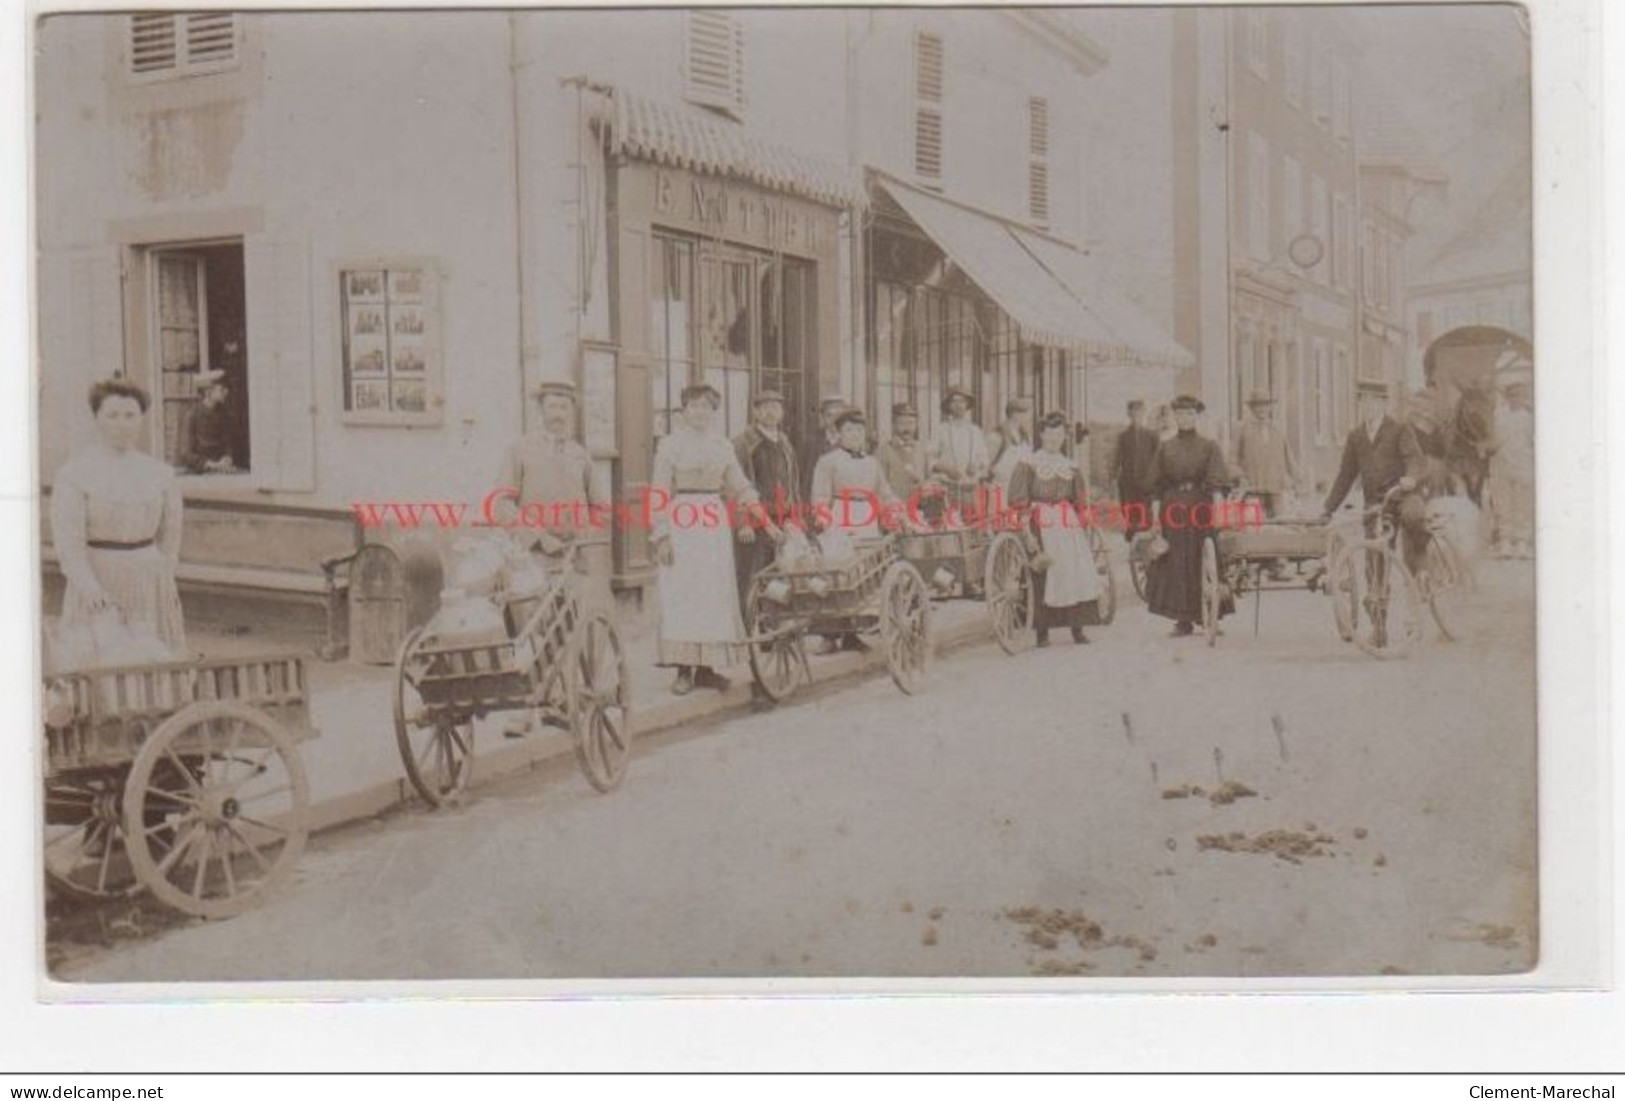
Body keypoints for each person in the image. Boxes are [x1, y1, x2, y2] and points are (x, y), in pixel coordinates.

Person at [651, 383, 776, 696]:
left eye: (706, 406)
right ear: (684, 411)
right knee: (684, 592)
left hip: (713, 522)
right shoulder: (670, 446)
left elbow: (742, 487)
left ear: (713, 412)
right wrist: (662, 535)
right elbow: (659, 493)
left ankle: (707, 669)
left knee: (712, 593)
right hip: (683, 521)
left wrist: (767, 523)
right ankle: (683, 670)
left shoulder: (722, 446)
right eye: (693, 406)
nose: (699, 412)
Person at [51, 379, 187, 659]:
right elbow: (69, 543)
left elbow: (171, 533)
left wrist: (164, 573)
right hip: (98, 575)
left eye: (130, 415)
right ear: (97, 418)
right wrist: (89, 588)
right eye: (112, 415)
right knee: (101, 657)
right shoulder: (75, 474)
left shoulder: (159, 473)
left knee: (152, 655)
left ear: (141, 419)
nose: (121, 424)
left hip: (147, 579)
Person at [496, 380, 612, 601]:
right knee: (539, 625)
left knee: (575, 623)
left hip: (574, 559)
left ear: (571, 412)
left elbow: (600, 507)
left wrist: (584, 534)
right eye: (552, 406)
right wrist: (538, 537)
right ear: (540, 410)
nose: (558, 414)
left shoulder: (580, 454)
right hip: (533, 557)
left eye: (564, 407)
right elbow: (503, 504)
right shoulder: (519, 450)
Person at [1009, 411, 1103, 647]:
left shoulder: (1070, 467)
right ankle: (1043, 631)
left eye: (1059, 434)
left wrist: (1083, 522)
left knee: (1074, 571)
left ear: (1065, 437)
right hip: (1040, 521)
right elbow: (1019, 500)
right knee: (1044, 572)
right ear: (1041, 435)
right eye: (1050, 434)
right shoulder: (1028, 464)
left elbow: (1080, 501)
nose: (1054, 439)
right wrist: (1025, 531)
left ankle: (1077, 628)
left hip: (1067, 522)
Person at [1143, 394, 1231, 637]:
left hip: (1201, 508)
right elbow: (1156, 487)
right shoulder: (1166, 447)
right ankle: (1182, 620)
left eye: (1190, 414)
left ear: (1197, 416)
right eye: (1180, 414)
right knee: (1177, 562)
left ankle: (1210, 616)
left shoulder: (1209, 446)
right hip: (1174, 510)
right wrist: (1156, 517)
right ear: (1175, 417)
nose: (1185, 419)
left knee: (1203, 558)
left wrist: (1219, 511)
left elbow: (1216, 483)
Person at [1321, 382, 1430, 578]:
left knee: (1413, 516)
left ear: (1383, 404)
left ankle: (1421, 560)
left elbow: (1415, 458)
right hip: (1376, 502)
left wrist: (1411, 478)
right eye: (1363, 402)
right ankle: (1377, 600)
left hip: (1403, 495)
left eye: (1373, 401)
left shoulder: (1399, 430)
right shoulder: (1356, 436)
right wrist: (1329, 508)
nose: (1368, 407)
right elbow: (1345, 475)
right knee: (1374, 550)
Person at [732, 387, 801, 621]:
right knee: (753, 578)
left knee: (781, 575)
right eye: (765, 408)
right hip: (755, 523)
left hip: (783, 520)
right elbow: (736, 485)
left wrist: (796, 519)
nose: (771, 413)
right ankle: (752, 629)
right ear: (755, 412)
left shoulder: (784, 442)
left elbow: (794, 484)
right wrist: (743, 523)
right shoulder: (743, 444)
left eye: (776, 407)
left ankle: (775, 628)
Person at [1232, 390, 1300, 518]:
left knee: (1281, 526)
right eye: (1258, 405)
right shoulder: (1242, 429)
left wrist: (1296, 479)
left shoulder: (1278, 428)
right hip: (1253, 489)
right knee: (1254, 526)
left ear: (1270, 407)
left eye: (1265, 405)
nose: (1262, 409)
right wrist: (1241, 477)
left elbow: (1289, 457)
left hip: (1276, 489)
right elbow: (1231, 460)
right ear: (1251, 408)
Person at [1490, 378, 1534, 558]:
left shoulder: (1529, 416)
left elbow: (1533, 440)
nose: (1517, 399)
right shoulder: (1499, 415)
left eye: (1521, 396)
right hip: (1502, 464)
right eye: (1514, 396)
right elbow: (1494, 439)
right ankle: (1506, 542)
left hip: (1523, 464)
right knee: (1503, 504)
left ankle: (1522, 543)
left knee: (1523, 504)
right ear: (1508, 397)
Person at [928, 386, 989, 516]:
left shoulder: (975, 431)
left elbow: (985, 459)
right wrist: (947, 469)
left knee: (971, 524)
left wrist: (976, 465)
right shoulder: (941, 430)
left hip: (969, 488)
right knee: (950, 524)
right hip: (948, 486)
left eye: (962, 401)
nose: (958, 405)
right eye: (954, 401)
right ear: (949, 406)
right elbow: (931, 459)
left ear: (967, 405)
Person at [1108, 399, 1160, 542]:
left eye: (1140, 411)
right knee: (1130, 516)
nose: (1137, 415)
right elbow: (1116, 459)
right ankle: (1132, 550)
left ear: (1144, 413)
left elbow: (1158, 460)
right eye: (1134, 411)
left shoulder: (1152, 435)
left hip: (1146, 484)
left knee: (1145, 518)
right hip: (1128, 483)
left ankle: (1145, 552)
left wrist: (1155, 479)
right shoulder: (1123, 436)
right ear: (1129, 414)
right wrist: (1112, 479)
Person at [178, 369, 237, 474]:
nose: (226, 392)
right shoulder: (192, 414)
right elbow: (185, 453)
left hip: (221, 471)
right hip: (197, 473)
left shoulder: (224, 415)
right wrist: (209, 464)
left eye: (227, 388)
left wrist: (227, 457)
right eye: (222, 389)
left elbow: (227, 445)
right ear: (208, 392)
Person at [799, 394, 849, 499]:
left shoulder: (851, 442)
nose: (835, 420)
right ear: (822, 417)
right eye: (829, 415)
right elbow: (805, 477)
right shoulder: (811, 442)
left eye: (839, 416)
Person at [879, 402, 928, 507]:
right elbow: (880, 485)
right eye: (902, 423)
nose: (907, 428)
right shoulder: (884, 450)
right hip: (894, 508)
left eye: (911, 423)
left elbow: (928, 477)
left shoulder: (921, 449)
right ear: (893, 425)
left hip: (920, 507)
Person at [986, 397, 1034, 496]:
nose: (1029, 418)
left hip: (1021, 491)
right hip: (1000, 489)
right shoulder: (997, 436)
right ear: (1015, 414)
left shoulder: (1026, 438)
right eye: (1027, 414)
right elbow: (985, 466)